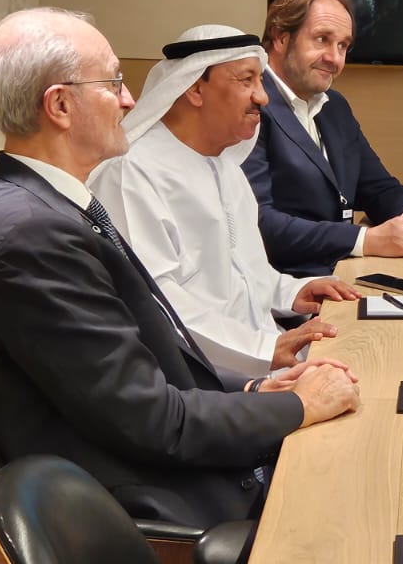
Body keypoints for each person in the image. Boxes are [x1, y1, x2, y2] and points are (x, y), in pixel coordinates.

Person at [0, 8, 361, 528]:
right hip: (156, 503)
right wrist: (298, 405)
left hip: (176, 446)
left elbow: (143, 367)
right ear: (61, 105)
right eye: (113, 82)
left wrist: (253, 390)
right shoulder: (32, 236)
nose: (130, 100)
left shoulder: (48, 208)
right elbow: (152, 421)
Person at [90, 24, 360, 377]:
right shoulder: (131, 173)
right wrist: (264, 350)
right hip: (206, 381)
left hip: (264, 356)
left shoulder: (226, 166)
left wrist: (294, 292)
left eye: (260, 81)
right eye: (246, 80)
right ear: (194, 88)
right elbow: (157, 300)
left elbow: (246, 272)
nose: (262, 98)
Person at [245, 0, 403, 276]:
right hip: (284, 286)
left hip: (342, 274)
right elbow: (259, 223)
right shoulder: (249, 107)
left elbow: (378, 187)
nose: (335, 59)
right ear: (281, 37)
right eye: (322, 39)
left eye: (343, 46)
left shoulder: (334, 106)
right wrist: (364, 240)